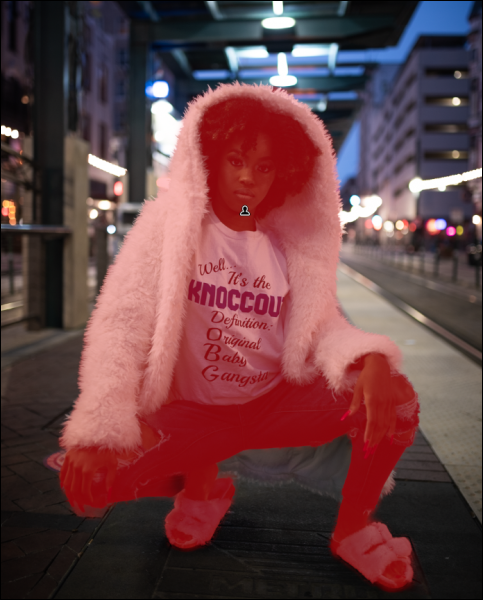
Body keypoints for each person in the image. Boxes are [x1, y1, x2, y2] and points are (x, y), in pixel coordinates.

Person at [59, 83, 420, 592]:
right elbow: (121, 323)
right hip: (194, 415)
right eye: (235, 160)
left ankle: (353, 530)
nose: (249, 178)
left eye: (266, 167)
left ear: (284, 174)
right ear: (210, 157)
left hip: (274, 405)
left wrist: (372, 360)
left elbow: (324, 325)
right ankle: (204, 486)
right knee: (92, 485)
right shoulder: (171, 227)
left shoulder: (285, 243)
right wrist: (99, 429)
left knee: (399, 401)